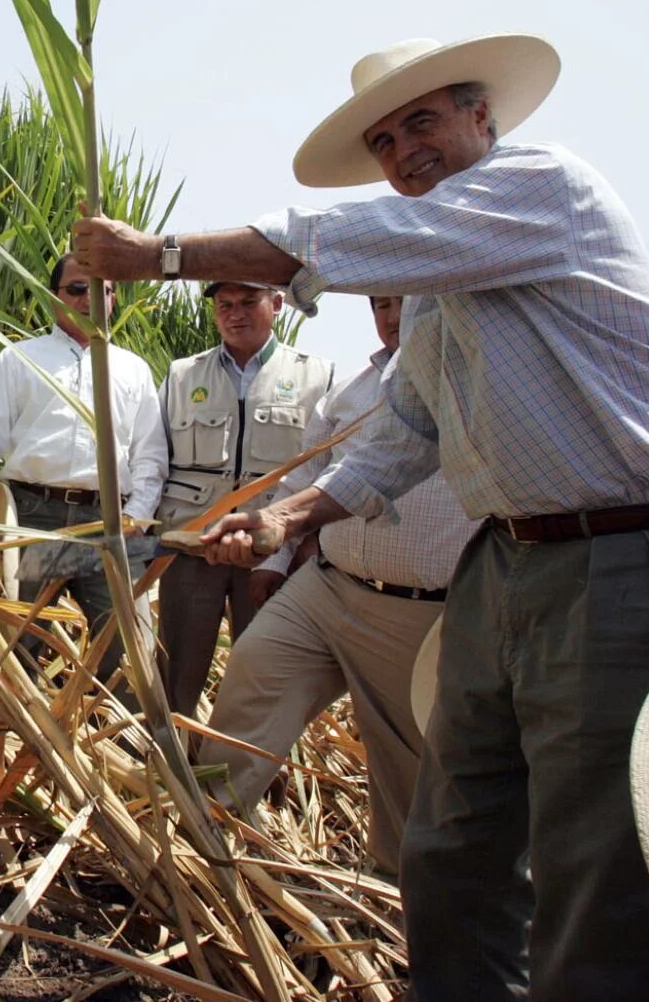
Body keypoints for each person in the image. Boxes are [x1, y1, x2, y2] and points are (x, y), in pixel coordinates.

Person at [69, 33, 649, 1002]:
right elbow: (403, 433)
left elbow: (341, 241)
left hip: (634, 557)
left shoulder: (545, 186)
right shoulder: (430, 296)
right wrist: (286, 518)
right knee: (451, 844)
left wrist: (161, 254)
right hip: (508, 567)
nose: (403, 149)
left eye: (421, 120)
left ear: (481, 117)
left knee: (601, 876)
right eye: (382, 138)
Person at [199, 294, 476, 878]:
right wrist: (274, 565)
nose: (391, 315)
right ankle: (206, 842)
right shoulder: (351, 391)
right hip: (326, 586)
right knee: (251, 673)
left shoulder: (473, 386)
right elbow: (306, 471)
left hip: (416, 613)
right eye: (380, 304)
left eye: (403, 303)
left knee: (406, 764)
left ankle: (393, 905)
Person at [0, 253, 167, 687]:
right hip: (34, 519)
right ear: (55, 297)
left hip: (108, 526)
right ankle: (13, 742)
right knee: (17, 644)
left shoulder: (134, 370)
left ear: (112, 299)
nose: (89, 299)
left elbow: (150, 455)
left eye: (101, 290)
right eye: (77, 289)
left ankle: (119, 746)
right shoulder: (20, 360)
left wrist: (138, 518)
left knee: (126, 650)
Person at [154, 281, 332, 723]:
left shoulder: (318, 376)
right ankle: (171, 774)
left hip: (273, 556)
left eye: (248, 302)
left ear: (276, 304)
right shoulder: (181, 375)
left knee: (267, 685)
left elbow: (333, 469)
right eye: (224, 305)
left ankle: (258, 783)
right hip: (193, 552)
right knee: (175, 676)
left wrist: (310, 544)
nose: (235, 313)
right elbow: (154, 459)